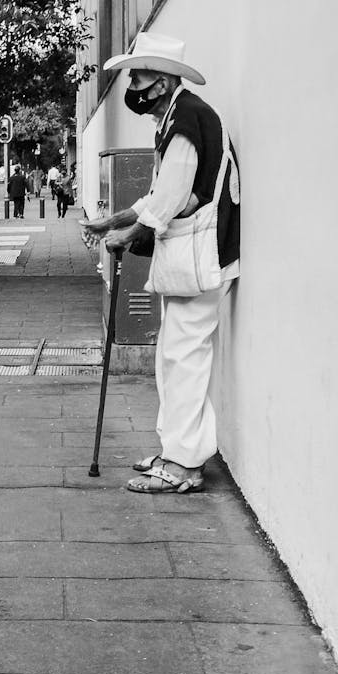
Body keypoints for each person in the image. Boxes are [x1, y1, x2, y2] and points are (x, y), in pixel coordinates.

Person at [81, 32, 240, 494]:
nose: (134, 86)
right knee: (175, 358)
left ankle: (184, 464)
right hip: (192, 259)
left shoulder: (187, 119)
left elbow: (170, 197)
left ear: (165, 82)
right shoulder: (180, 116)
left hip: (200, 258)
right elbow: (161, 193)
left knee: (184, 359)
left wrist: (128, 235)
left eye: (141, 77)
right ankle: (177, 451)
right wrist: (116, 219)